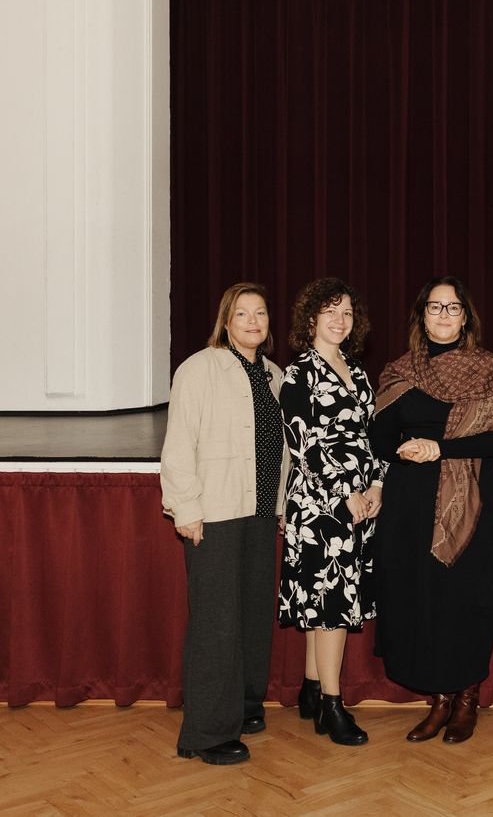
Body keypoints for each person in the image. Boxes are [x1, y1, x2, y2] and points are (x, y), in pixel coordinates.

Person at [371, 276, 493, 745]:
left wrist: (439, 447)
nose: (443, 315)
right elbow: (379, 438)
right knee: (421, 597)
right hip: (410, 502)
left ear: (465, 317)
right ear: (422, 316)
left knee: (466, 595)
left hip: (470, 497)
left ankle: (467, 697)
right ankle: (438, 699)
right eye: (434, 307)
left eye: (452, 307)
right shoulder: (399, 371)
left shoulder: (491, 371)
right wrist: (405, 449)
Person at [161, 282, 289, 765]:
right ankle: (205, 734)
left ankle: (244, 706)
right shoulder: (199, 369)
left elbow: (281, 449)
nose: (253, 321)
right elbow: (178, 443)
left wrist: (280, 503)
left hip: (260, 511)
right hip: (214, 512)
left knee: (252, 616)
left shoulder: (274, 375)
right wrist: (186, 508)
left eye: (261, 313)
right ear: (226, 321)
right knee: (216, 621)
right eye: (242, 313)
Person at [278, 278, 386, 746]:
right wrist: (345, 493)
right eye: (330, 311)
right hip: (320, 506)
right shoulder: (298, 373)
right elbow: (303, 445)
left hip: (360, 503)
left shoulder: (357, 371)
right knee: (331, 608)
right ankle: (332, 706)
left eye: (347, 313)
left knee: (324, 601)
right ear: (311, 319)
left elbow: (374, 436)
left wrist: (377, 483)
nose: (340, 320)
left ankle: (310, 690)